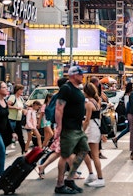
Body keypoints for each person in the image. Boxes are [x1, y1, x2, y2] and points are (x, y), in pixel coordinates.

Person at [54, 66, 91, 194]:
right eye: (81, 74)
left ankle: (70, 178)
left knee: (84, 150)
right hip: (68, 128)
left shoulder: (77, 89)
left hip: (77, 128)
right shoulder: (66, 88)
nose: (83, 76)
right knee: (64, 155)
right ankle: (59, 185)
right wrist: (59, 127)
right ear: (74, 75)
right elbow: (59, 108)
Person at [36, 78, 68, 179]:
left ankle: (43, 165)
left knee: (60, 151)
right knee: (61, 150)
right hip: (63, 126)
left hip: (60, 125)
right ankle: (68, 173)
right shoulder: (62, 97)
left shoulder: (56, 96)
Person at [114, 81, 133, 149]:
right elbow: (127, 106)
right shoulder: (128, 95)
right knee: (131, 130)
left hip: (129, 114)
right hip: (129, 114)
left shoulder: (131, 94)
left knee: (129, 129)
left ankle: (116, 139)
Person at [7, 84, 26, 154]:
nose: (22, 91)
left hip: (18, 119)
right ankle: (2, 149)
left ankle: (24, 150)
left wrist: (24, 111)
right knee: (9, 136)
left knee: (20, 136)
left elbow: (23, 107)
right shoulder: (12, 97)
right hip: (11, 119)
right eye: (21, 90)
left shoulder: (21, 98)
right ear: (17, 90)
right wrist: (15, 108)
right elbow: (7, 105)